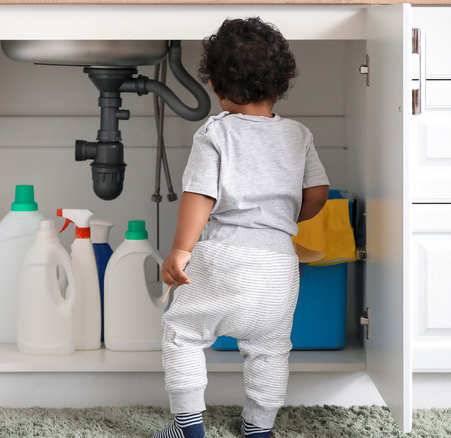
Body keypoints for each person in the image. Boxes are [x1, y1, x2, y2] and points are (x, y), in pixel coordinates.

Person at [154, 17, 329, 438]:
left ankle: (188, 426)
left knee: (182, 333)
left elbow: (200, 195)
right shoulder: (297, 134)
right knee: (270, 350)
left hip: (223, 257)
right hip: (278, 266)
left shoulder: (216, 132)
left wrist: (180, 250)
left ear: (213, 85)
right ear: (283, 82)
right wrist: (286, 218)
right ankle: (258, 428)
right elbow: (318, 192)